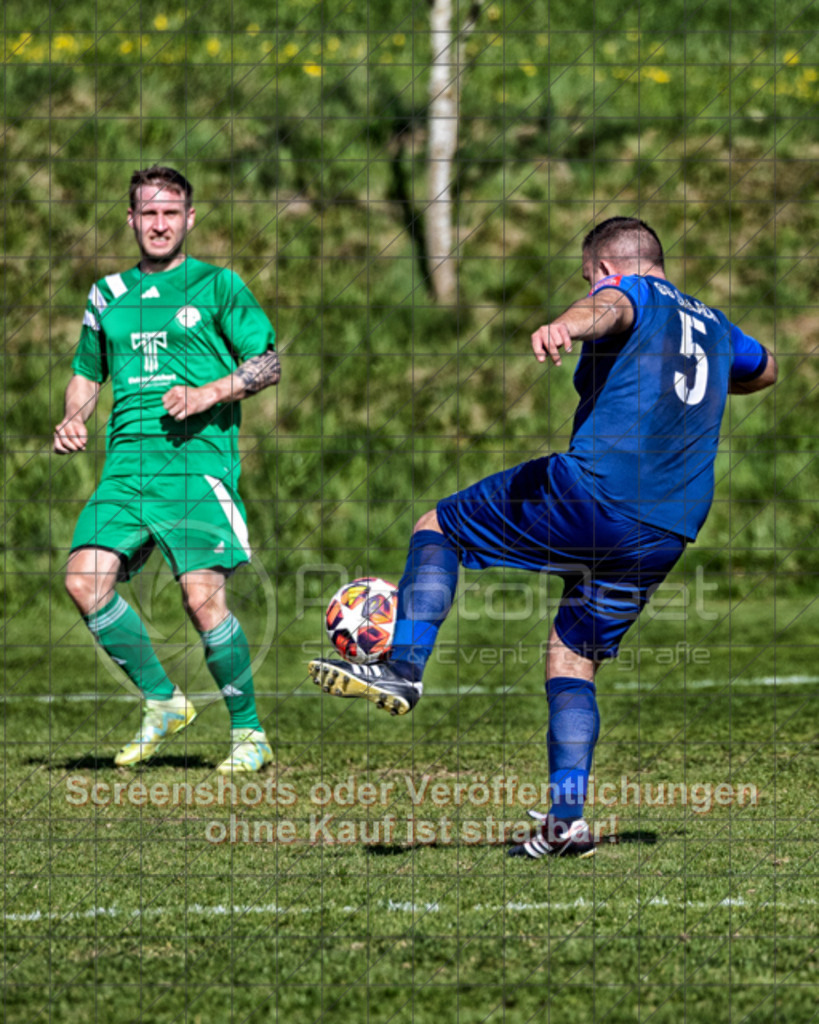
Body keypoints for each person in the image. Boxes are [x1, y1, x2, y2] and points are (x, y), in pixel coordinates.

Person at [309, 216, 777, 856]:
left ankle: (403, 664)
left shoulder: (629, 291)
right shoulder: (717, 326)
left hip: (597, 490)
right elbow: (768, 369)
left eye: (587, 275)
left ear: (606, 267)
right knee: (571, 657)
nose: (590, 285)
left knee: (437, 526)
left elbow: (611, 305)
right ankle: (567, 822)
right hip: (666, 530)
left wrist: (567, 322)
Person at [54, 165, 282, 774]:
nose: (159, 224)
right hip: (126, 468)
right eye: (148, 214)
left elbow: (267, 362)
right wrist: (74, 417)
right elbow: (87, 370)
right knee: (83, 580)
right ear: (131, 219)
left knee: (200, 598)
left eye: (170, 213)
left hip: (194, 464)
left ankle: (250, 734)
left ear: (189, 219)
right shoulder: (106, 295)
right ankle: (162, 700)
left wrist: (209, 393)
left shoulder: (217, 285)